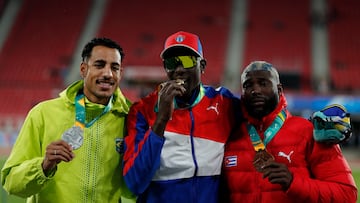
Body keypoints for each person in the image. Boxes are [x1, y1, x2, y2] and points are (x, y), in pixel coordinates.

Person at [1, 37, 136, 202]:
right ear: (83, 69)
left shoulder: (131, 119)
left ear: (120, 73)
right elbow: (12, 183)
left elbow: (133, 189)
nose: (107, 73)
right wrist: (43, 166)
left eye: (114, 68)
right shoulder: (43, 113)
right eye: (99, 65)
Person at [122, 31, 240, 203]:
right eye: (172, 62)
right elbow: (134, 182)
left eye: (187, 61)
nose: (179, 70)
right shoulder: (142, 111)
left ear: (203, 65)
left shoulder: (224, 102)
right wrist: (160, 120)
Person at [220, 61, 358, 202]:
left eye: (263, 83)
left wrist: (293, 182)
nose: (256, 90)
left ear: (279, 90)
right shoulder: (229, 136)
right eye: (248, 85)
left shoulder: (309, 133)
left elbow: (346, 194)